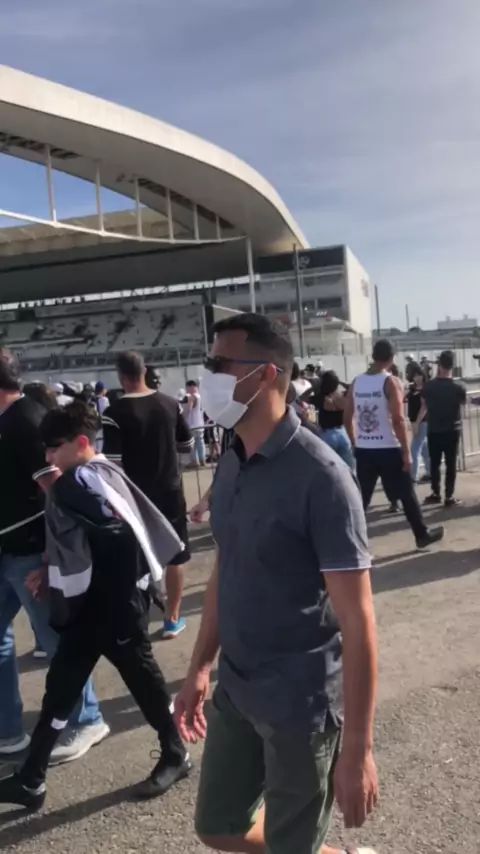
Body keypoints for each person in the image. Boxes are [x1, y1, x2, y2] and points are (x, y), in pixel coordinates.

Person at [175, 313, 379, 854]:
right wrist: (199, 667)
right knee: (219, 825)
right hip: (237, 688)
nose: (208, 376)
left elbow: (358, 622)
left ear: (265, 374)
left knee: (293, 844)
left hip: (300, 703)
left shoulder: (323, 478)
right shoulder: (232, 460)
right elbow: (227, 568)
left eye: (219, 364)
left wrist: (358, 750)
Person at [0, 402, 191, 810]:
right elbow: (96, 537)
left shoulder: (77, 484)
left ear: (81, 442)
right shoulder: (102, 473)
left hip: (112, 609)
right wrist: (53, 571)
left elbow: (115, 535)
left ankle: (176, 752)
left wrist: (109, 599)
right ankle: (32, 777)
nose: (48, 455)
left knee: (143, 684)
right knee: (62, 689)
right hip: (98, 609)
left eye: (54, 447)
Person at [0, 351, 108, 762]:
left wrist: (51, 559)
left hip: (31, 553)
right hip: (10, 550)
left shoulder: (26, 422)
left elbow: (58, 492)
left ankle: (88, 718)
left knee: (56, 640)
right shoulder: (13, 420)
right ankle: (8, 730)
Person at [102, 351, 193, 639]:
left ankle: (136, 621)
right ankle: (172, 618)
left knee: (135, 556)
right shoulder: (169, 403)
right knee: (177, 555)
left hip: (134, 496)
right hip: (170, 490)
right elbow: (188, 444)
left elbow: (112, 462)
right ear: (144, 372)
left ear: (121, 377)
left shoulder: (114, 413)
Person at [344, 339, 444, 549]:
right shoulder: (390, 382)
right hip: (388, 447)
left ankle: (347, 542)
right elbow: (398, 419)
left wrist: (355, 442)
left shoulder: (356, 382)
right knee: (406, 493)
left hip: (365, 449)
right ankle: (421, 534)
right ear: (391, 358)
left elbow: (347, 416)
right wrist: (406, 452)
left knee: (361, 499)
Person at [415, 349, 466, 507]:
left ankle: (435, 492)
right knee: (451, 463)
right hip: (453, 429)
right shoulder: (459, 387)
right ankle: (449, 495)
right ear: (452, 365)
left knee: (435, 463)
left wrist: (417, 424)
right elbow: (463, 405)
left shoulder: (429, 386)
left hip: (434, 429)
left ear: (439, 365)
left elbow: (423, 407)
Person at [317, 370, 355, 469]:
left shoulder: (321, 397)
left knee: (328, 469)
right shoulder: (342, 396)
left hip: (327, 433)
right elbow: (352, 387)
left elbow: (301, 397)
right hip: (343, 432)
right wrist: (340, 382)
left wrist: (314, 386)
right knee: (349, 468)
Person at [407, 369, 430, 484]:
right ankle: (431, 473)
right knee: (424, 449)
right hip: (414, 421)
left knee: (414, 449)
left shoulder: (425, 389)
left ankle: (413, 477)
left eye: (419, 375)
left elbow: (424, 407)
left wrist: (417, 423)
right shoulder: (412, 389)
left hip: (422, 422)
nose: (417, 378)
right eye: (415, 375)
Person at [184, 379, 206, 467]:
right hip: (200, 423)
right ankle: (202, 459)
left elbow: (189, 409)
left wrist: (183, 416)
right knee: (200, 442)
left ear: (190, 387)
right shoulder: (200, 396)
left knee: (192, 444)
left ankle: (194, 461)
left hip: (192, 424)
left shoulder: (191, 397)